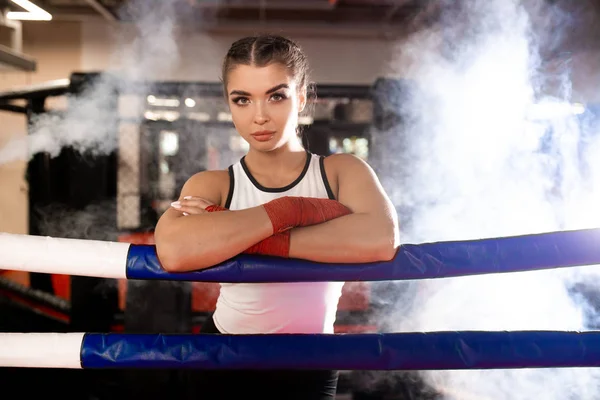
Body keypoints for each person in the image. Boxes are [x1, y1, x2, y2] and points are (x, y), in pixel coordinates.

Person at [154, 34, 399, 400]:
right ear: (229, 104)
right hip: (225, 358)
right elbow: (173, 250)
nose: (259, 116)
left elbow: (381, 239)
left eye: (276, 95)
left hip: (310, 363)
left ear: (301, 96)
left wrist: (250, 234)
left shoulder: (340, 173)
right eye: (242, 99)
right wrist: (290, 211)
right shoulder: (215, 183)